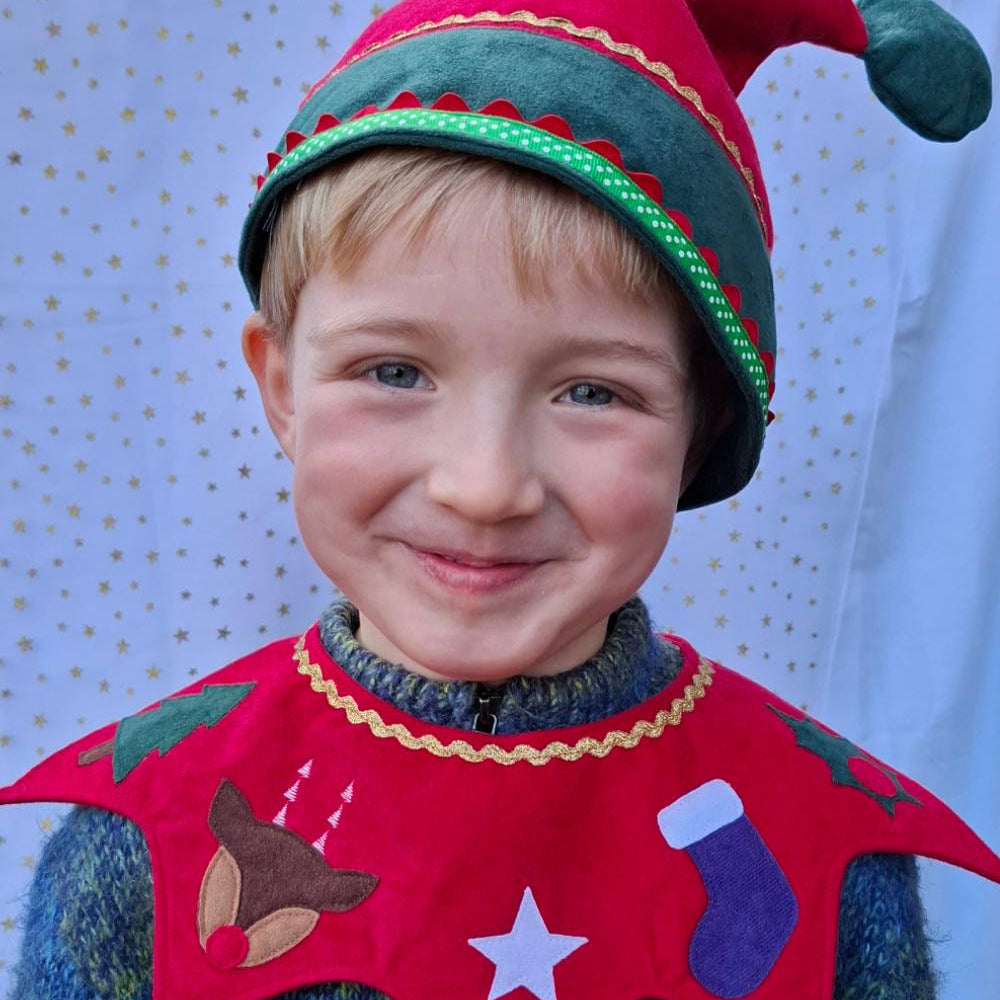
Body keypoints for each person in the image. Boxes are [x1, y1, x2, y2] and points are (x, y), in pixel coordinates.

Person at [2, 1, 998, 998]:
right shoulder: (144, 835)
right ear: (281, 391)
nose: (483, 487)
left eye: (592, 392)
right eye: (394, 371)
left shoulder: (819, 855)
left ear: (702, 426)